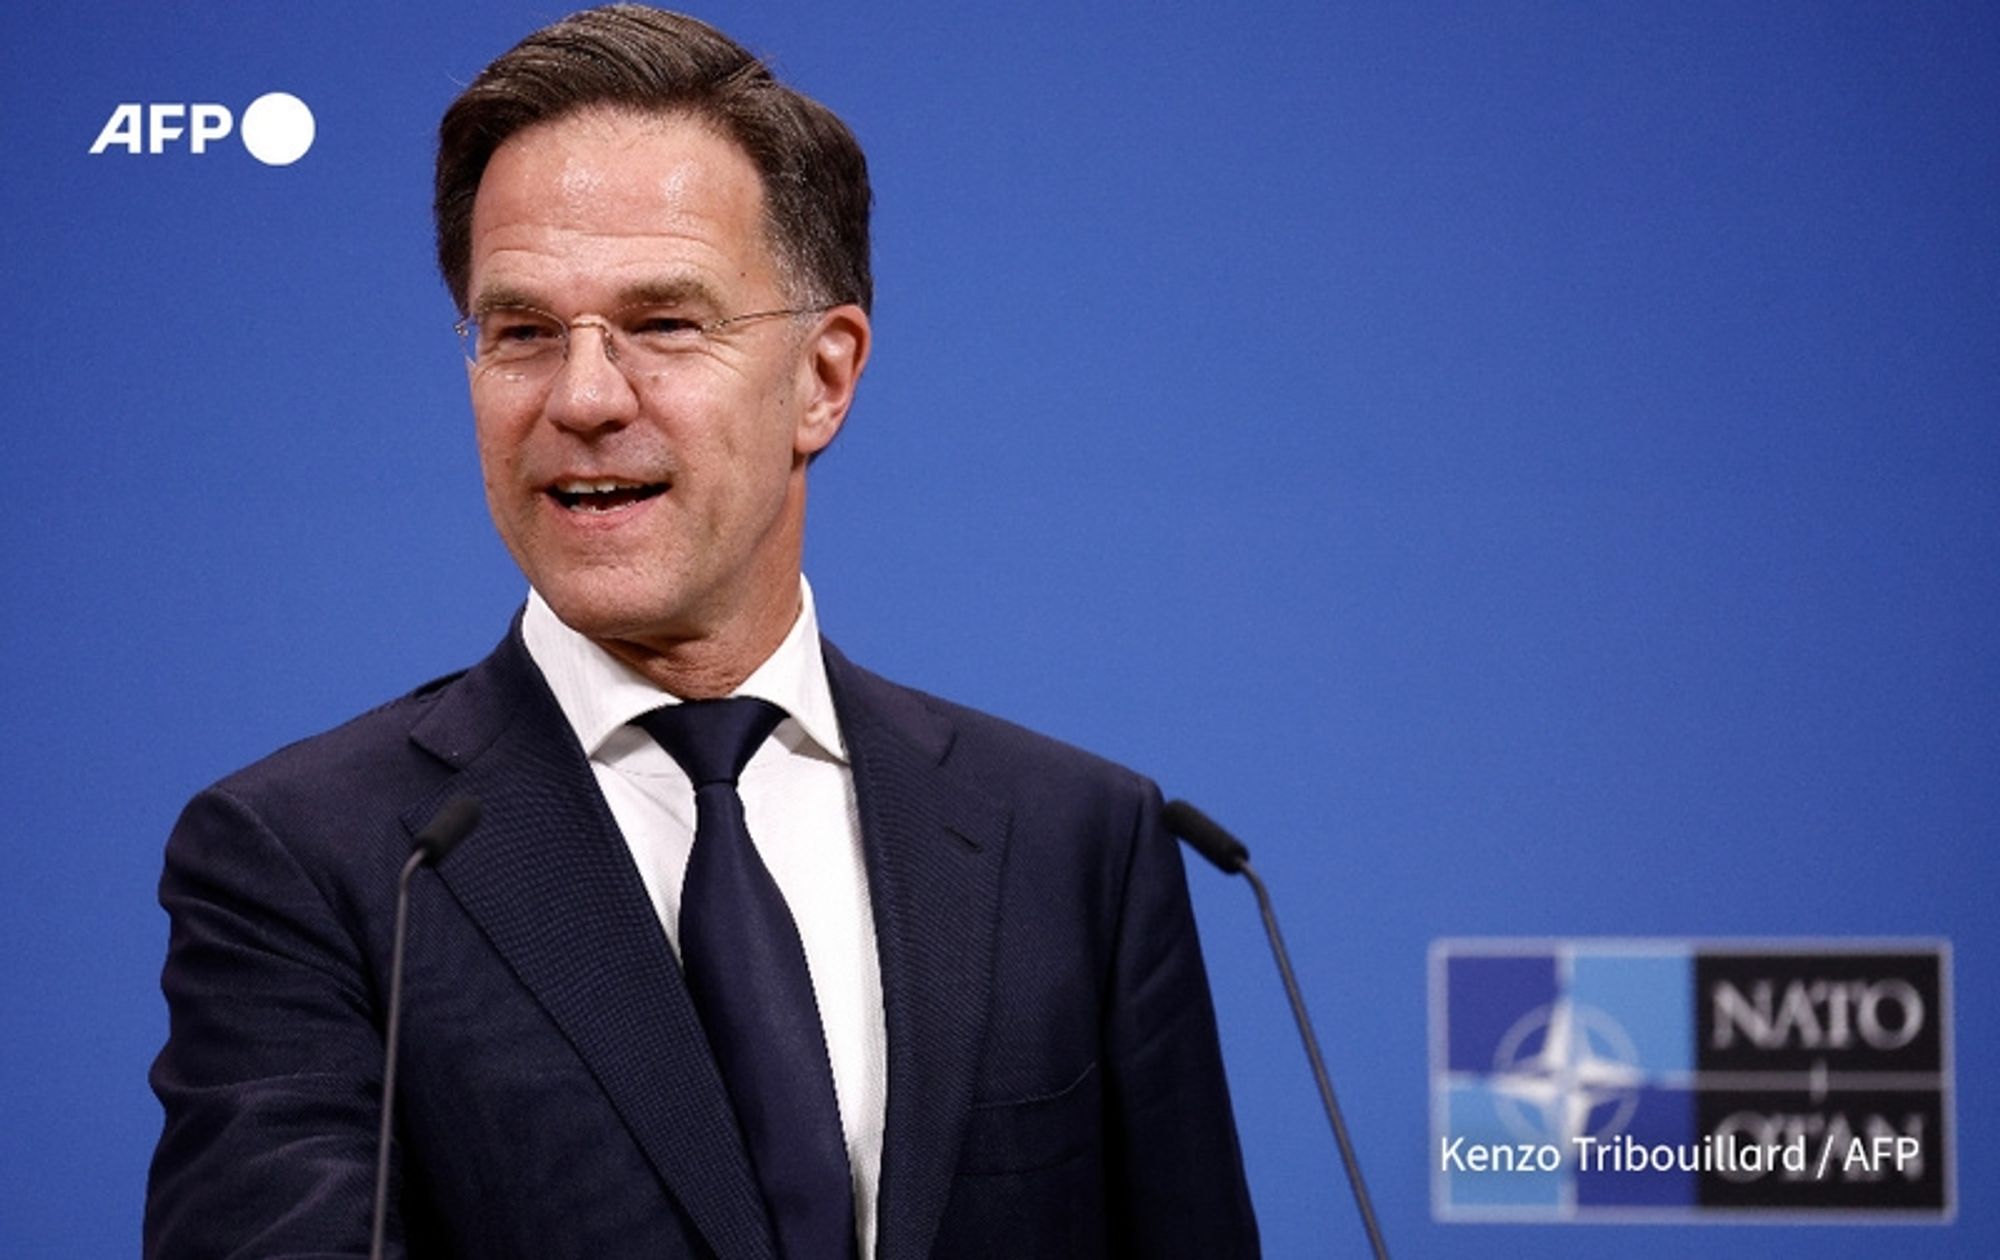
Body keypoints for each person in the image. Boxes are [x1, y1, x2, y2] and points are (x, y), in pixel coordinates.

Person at [144, 6, 1258, 1257]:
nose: (581, 398)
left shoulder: (1075, 844)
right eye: (520, 333)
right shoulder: (317, 864)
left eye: (663, 324)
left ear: (822, 379)